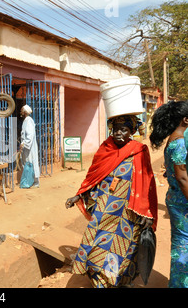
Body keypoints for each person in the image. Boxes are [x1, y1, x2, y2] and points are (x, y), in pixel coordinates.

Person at [65, 115, 158, 288]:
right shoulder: (105, 149)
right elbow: (93, 176)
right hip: (103, 209)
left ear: (131, 132)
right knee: (97, 243)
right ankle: (99, 280)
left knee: (123, 248)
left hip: (128, 211)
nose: (118, 133)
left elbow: (147, 182)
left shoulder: (139, 150)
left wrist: (148, 211)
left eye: (124, 129)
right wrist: (78, 195)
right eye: (116, 129)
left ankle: (118, 280)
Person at [149, 100, 188, 288]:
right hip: (183, 201)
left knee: (180, 242)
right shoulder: (180, 144)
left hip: (174, 199)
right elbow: (182, 178)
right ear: (186, 120)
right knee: (183, 244)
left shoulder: (172, 140)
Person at [19, 104, 40, 188]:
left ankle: (36, 182)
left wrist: (25, 144)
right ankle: (30, 181)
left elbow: (30, 134)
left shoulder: (28, 120)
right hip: (27, 146)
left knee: (31, 162)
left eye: (21, 110)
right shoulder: (26, 120)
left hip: (30, 147)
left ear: (24, 112)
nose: (20, 112)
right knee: (28, 163)